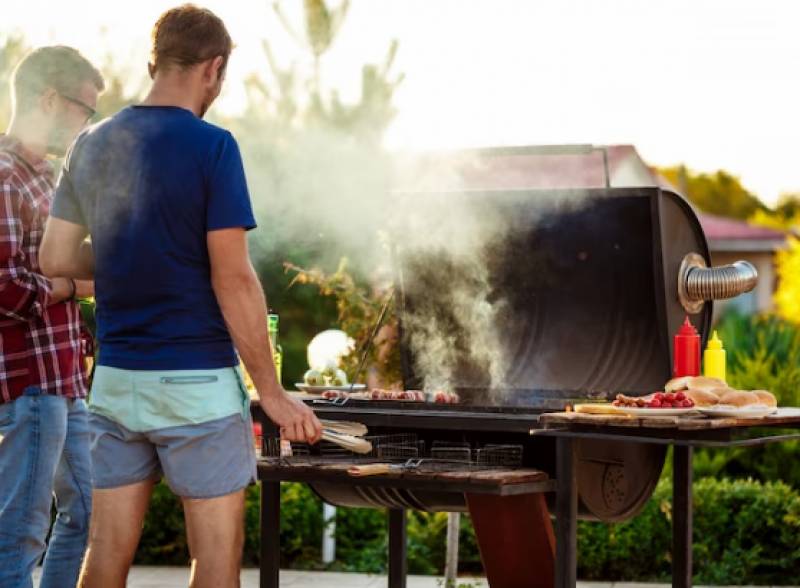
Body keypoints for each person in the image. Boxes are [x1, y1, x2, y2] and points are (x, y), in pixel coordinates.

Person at [40, 5, 323, 588]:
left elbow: (57, 259)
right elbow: (234, 278)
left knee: (106, 554)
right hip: (197, 387)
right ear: (213, 69)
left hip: (116, 383)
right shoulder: (212, 147)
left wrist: (128, 260)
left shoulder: (90, 144)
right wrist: (270, 393)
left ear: (155, 62)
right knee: (215, 565)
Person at [0, 46, 101, 588]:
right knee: (19, 532)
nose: (88, 125)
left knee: (89, 514)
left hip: (65, 380)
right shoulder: (3, 175)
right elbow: (2, 287)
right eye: (84, 109)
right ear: (46, 98)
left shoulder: (46, 178)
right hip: (28, 384)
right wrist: (70, 285)